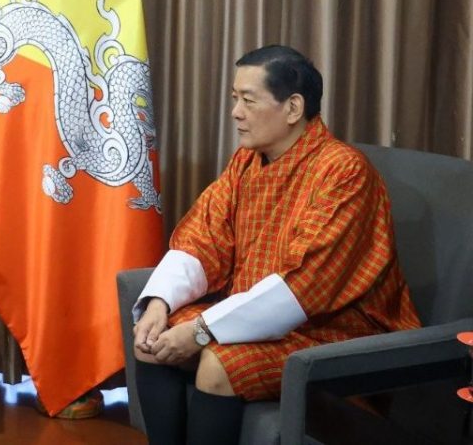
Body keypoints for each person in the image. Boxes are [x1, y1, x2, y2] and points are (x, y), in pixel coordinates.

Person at [131, 45, 420, 445]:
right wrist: (160, 303)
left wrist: (201, 331)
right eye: (235, 99)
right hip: (259, 319)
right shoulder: (246, 162)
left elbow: (304, 285)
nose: (235, 112)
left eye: (248, 100)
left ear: (293, 107)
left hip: (332, 330)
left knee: (220, 365)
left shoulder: (344, 172)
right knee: (152, 342)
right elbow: (204, 236)